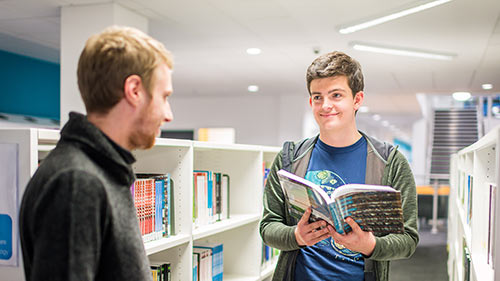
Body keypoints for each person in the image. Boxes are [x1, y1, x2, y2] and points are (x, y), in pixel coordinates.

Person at [19, 26, 174, 281]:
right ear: (134, 90)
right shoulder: (77, 182)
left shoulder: (100, 171)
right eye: (164, 96)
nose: (169, 114)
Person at [259, 51, 419, 281]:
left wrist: (370, 245)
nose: (325, 105)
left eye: (336, 95)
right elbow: (268, 227)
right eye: (317, 97)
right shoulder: (290, 157)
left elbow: (408, 240)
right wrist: (296, 236)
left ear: (357, 99)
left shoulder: (390, 162)